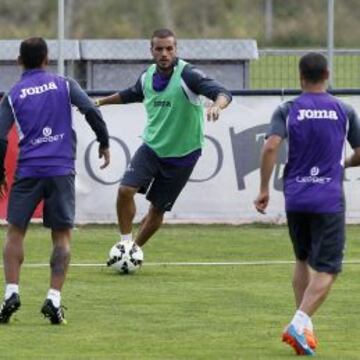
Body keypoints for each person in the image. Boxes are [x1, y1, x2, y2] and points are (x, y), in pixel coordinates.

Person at [254, 52, 360, 355]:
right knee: (329, 268)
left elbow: (271, 146)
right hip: (327, 200)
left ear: (300, 76)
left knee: (302, 259)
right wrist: (345, 163)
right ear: (327, 74)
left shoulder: (288, 109)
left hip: (296, 196)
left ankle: (304, 331)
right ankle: (298, 322)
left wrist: (263, 189)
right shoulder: (344, 109)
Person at [0, 37, 110, 325]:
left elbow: (0, 136)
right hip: (61, 169)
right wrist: (104, 141)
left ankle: (11, 292)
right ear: (47, 59)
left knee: (15, 233)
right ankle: (53, 298)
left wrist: (0, 171)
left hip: (28, 171)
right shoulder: (64, 84)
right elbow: (91, 110)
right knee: (61, 236)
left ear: (19, 61)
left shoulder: (13, 94)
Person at [95, 28, 232, 249]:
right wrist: (100, 102)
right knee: (125, 191)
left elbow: (223, 92)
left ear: (176, 49)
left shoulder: (188, 75)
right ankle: (125, 243)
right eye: (159, 49)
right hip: (152, 148)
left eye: (169, 48)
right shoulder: (147, 76)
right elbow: (131, 93)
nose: (164, 54)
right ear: (151, 50)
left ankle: (134, 251)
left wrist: (217, 106)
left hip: (183, 155)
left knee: (157, 209)